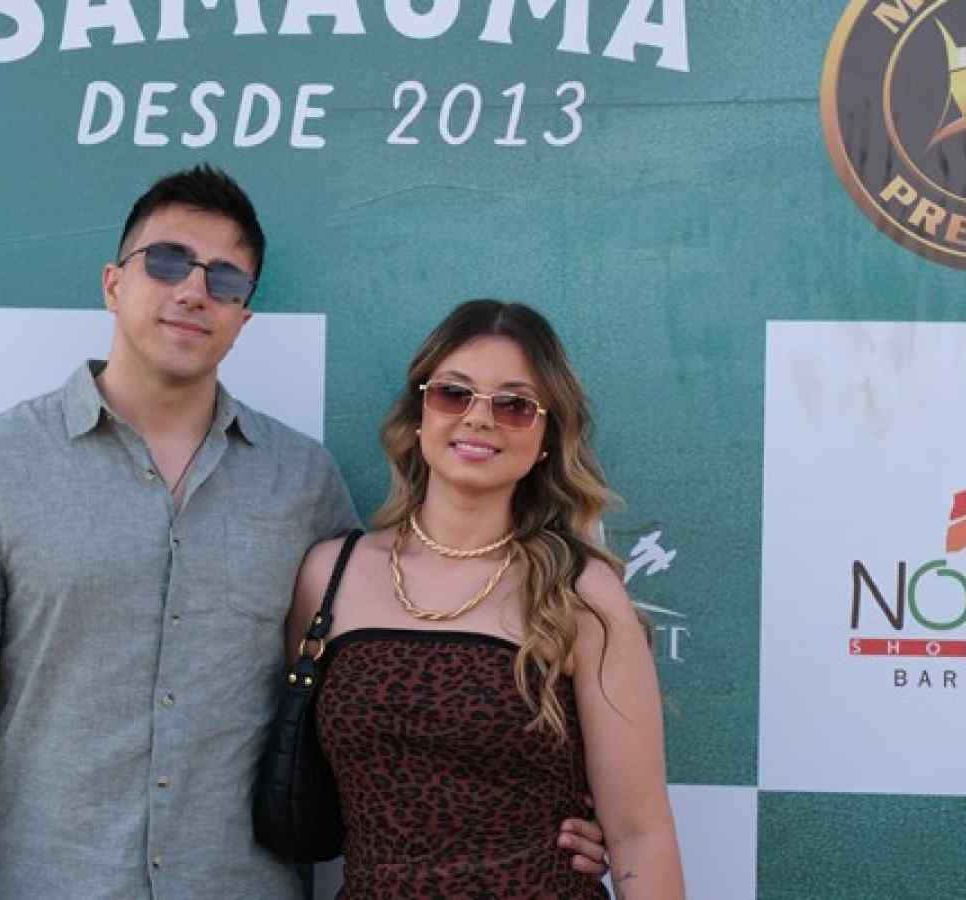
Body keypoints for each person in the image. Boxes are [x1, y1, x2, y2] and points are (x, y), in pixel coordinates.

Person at [0, 168, 609, 899]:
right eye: (166, 262)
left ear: (243, 317)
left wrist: (557, 815)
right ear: (113, 283)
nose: (193, 290)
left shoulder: (303, 481)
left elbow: (383, 691)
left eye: (225, 279)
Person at [289, 300, 683, 899]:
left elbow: (640, 834)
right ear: (419, 413)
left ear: (546, 437)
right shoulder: (329, 576)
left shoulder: (580, 590)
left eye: (514, 405)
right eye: (454, 394)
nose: (479, 418)